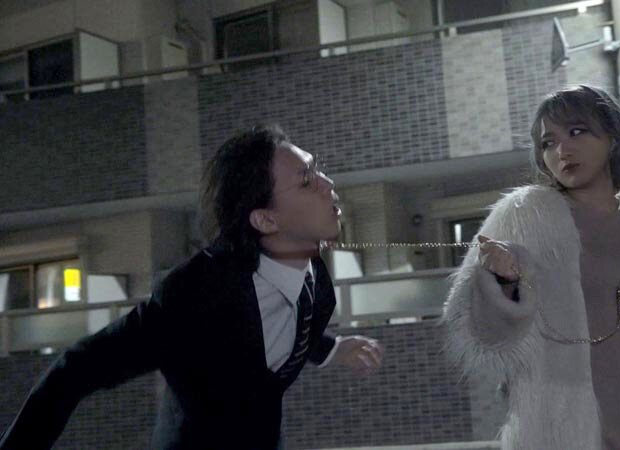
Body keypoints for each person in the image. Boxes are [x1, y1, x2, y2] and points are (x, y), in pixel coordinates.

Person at [0, 125, 384, 449]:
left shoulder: (317, 285)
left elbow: (279, 326)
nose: (327, 184)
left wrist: (331, 349)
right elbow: (75, 370)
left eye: (318, 170)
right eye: (306, 181)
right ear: (266, 220)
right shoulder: (194, 296)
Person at [442, 85, 620, 450]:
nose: (562, 151)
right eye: (548, 143)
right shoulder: (525, 214)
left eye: (577, 132)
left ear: (613, 139)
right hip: (553, 423)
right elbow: (468, 321)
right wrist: (502, 282)